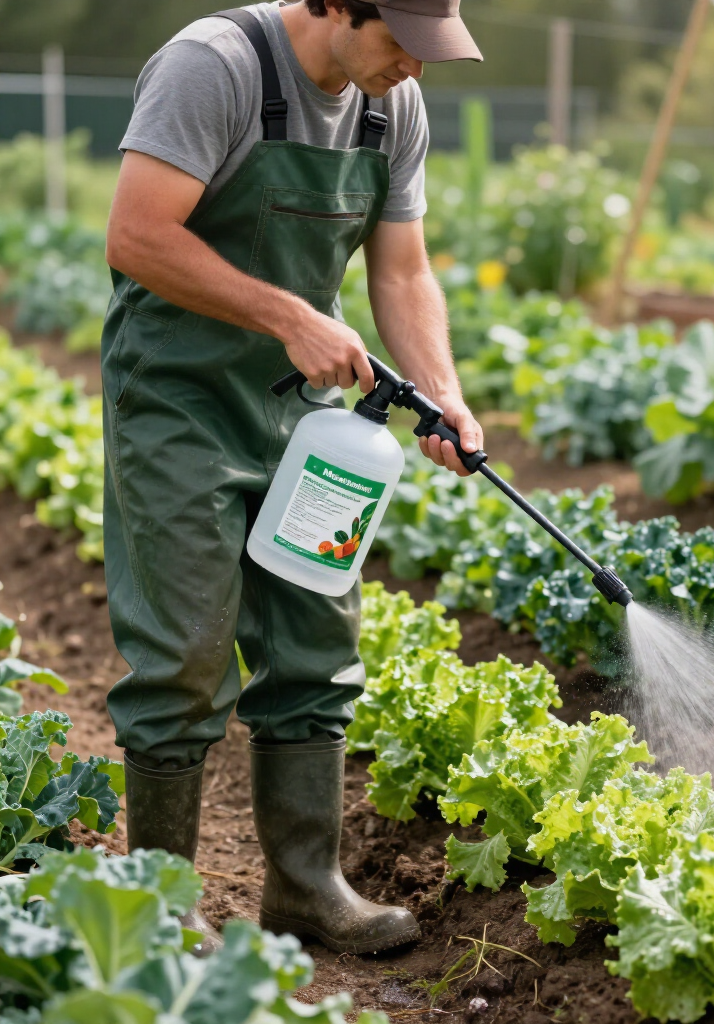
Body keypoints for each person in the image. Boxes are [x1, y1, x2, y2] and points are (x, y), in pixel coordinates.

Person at [102, 0, 483, 957]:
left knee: (316, 642)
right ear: (335, 5)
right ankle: (161, 907)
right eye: (401, 42)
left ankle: (307, 888)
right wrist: (289, 316)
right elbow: (138, 236)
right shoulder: (214, 65)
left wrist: (442, 395)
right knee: (184, 653)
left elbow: (401, 271)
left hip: (306, 418)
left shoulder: (392, 107)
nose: (415, 69)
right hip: (179, 401)